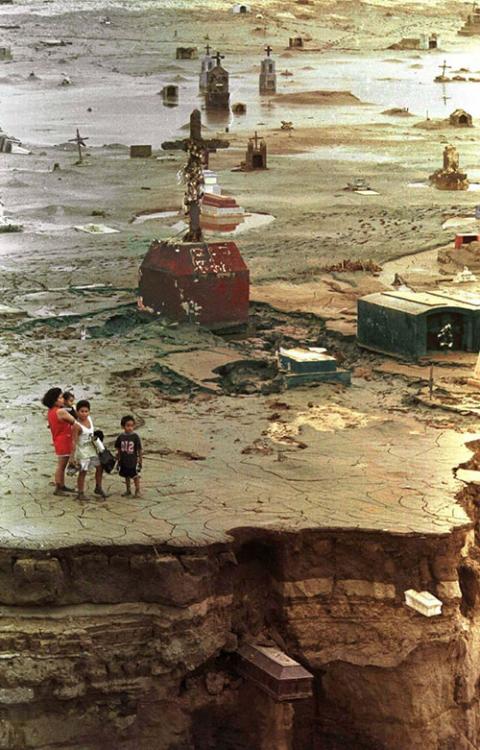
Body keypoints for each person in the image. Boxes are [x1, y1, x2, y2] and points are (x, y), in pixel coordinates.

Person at [42, 387, 77, 496]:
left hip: (58, 439)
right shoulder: (60, 411)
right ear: (55, 400)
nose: (63, 400)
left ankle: (62, 485)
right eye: (61, 397)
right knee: (61, 465)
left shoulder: (51, 411)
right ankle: (58, 487)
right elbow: (74, 421)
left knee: (62, 464)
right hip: (64, 439)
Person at [70, 400, 106, 500]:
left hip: (92, 447)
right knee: (83, 471)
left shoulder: (89, 419)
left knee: (99, 467)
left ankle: (98, 487)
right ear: (77, 412)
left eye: (86, 411)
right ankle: (80, 493)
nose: (84, 413)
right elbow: (73, 441)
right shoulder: (76, 426)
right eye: (82, 411)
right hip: (83, 451)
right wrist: (72, 457)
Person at [115, 415, 142, 497]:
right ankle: (128, 490)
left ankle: (137, 490)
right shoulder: (121, 437)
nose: (130, 428)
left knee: (134, 475)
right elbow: (118, 448)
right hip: (123, 460)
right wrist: (118, 458)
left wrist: (140, 460)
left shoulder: (135, 437)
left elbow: (139, 449)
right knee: (126, 475)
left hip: (132, 460)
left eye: (132, 426)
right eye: (128, 426)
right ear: (123, 426)